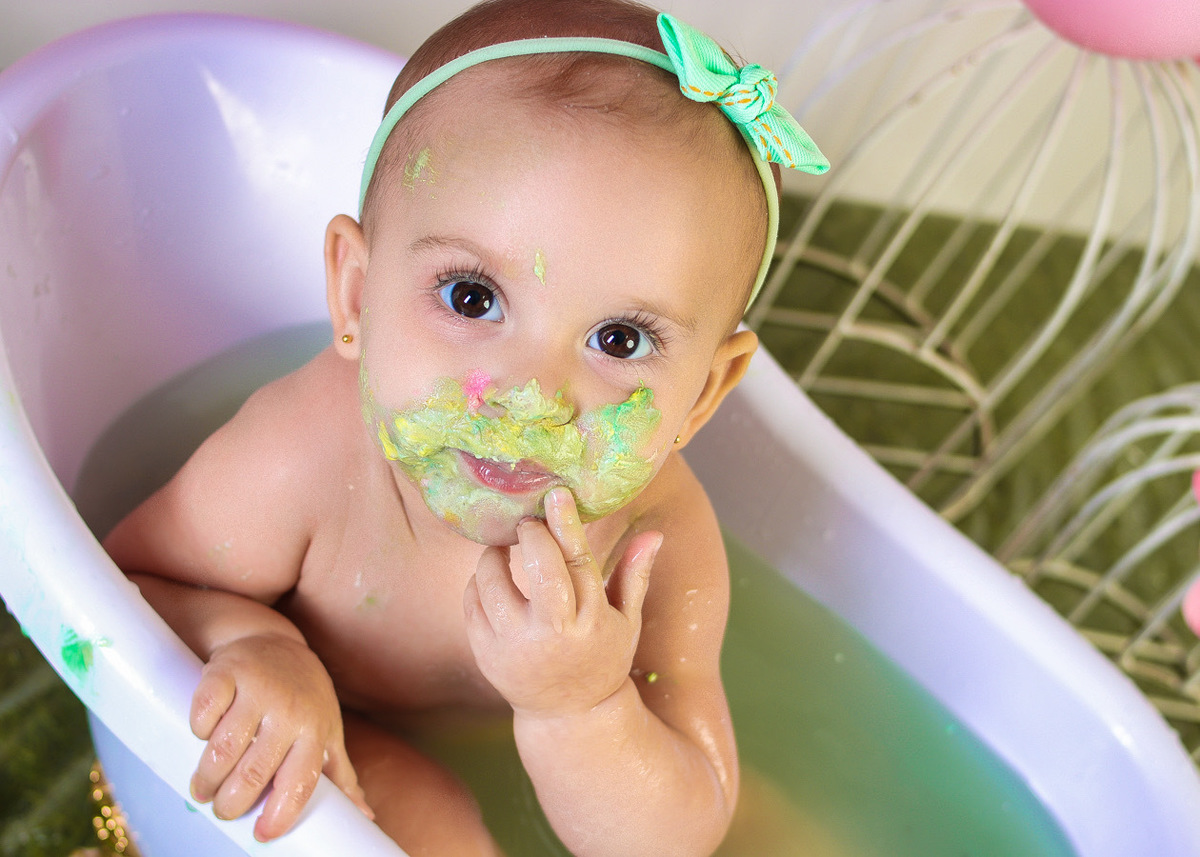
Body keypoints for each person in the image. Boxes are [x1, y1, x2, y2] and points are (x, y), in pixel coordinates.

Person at [102, 0, 828, 854]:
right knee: (435, 830)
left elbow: (668, 841)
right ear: (357, 295)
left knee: (773, 830)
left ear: (702, 395)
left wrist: (582, 705)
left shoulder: (655, 543)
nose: (531, 396)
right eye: (472, 297)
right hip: (325, 712)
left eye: (618, 340)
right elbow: (132, 577)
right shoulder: (306, 451)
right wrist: (257, 642)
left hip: (531, 744)